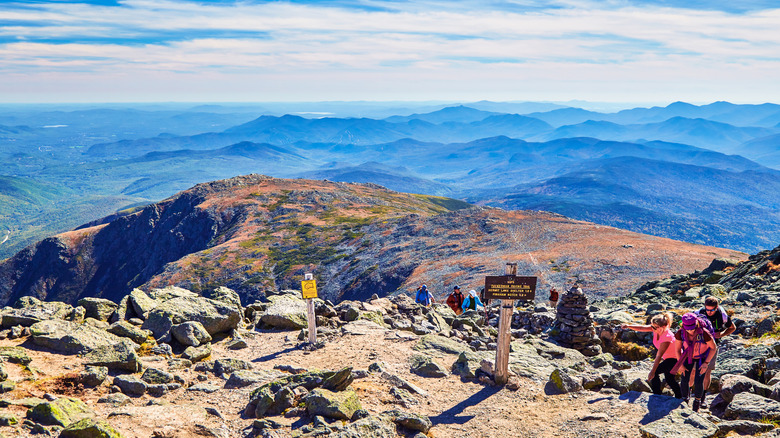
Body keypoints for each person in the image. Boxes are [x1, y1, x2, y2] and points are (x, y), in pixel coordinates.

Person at [621, 313, 682, 398]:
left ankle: (657, 395)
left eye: (654, 327)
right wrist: (628, 326)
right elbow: (642, 328)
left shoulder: (667, 337)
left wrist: (652, 371)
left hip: (675, 359)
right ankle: (679, 396)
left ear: (663, 327)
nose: (652, 328)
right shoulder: (656, 329)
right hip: (668, 358)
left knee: (656, 372)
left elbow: (658, 355)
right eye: (652, 326)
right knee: (669, 378)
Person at [695, 295, 736, 407]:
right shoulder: (699, 313)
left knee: (707, 371)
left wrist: (722, 334)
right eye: (707, 309)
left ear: (716, 307)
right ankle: (691, 394)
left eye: (712, 310)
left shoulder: (722, 316)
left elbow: (733, 328)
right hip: (698, 345)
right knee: (694, 371)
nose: (709, 312)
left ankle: (702, 398)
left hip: (713, 347)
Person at [671, 312, 717, 412]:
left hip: (702, 357)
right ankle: (684, 401)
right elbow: (677, 349)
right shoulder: (680, 333)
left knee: (699, 380)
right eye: (688, 329)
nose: (691, 331)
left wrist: (706, 363)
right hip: (688, 356)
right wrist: (681, 364)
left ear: (696, 323)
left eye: (692, 328)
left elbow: (713, 348)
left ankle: (697, 404)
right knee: (684, 378)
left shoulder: (704, 332)